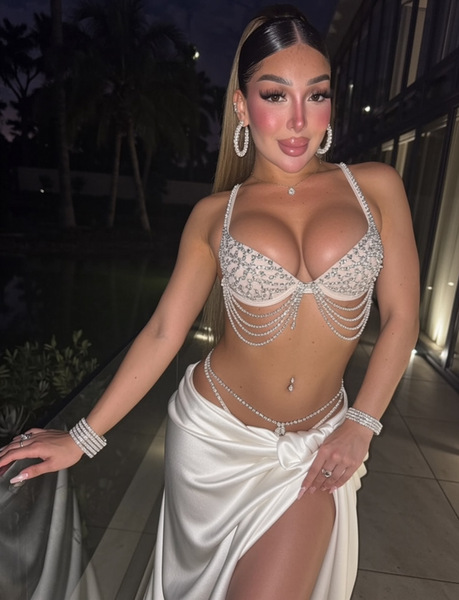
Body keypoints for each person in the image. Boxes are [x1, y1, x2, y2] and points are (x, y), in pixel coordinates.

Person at [0, 4, 419, 599]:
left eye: (317, 95)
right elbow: (163, 332)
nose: (299, 119)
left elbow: (402, 317)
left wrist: (362, 424)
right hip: (214, 440)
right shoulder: (213, 216)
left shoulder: (376, 186)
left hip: (316, 449)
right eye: (275, 96)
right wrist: (80, 437)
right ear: (243, 106)